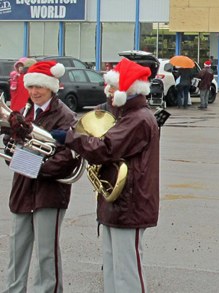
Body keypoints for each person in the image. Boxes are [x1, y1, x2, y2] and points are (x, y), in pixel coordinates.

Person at [53, 57, 160, 292]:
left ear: (126, 90)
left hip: (129, 203)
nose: (107, 91)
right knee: (113, 270)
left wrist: (70, 139)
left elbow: (106, 148)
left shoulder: (139, 118)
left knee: (127, 272)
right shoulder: (125, 114)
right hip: (118, 202)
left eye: (112, 87)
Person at [0, 60, 79, 292]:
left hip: (50, 194)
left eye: (40, 87)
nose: (34, 92)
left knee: (47, 254)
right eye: (31, 87)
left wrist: (28, 163)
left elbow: (66, 161)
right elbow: (11, 153)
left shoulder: (66, 116)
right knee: (16, 250)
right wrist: (11, 143)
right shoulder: (24, 112)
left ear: (52, 87)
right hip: (22, 191)